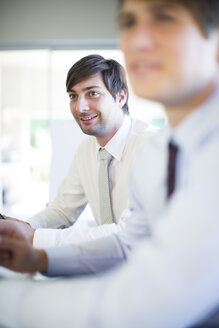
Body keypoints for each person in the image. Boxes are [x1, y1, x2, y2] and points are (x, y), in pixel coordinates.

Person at [0, 0, 219, 327]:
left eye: (165, 18)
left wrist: (12, 298)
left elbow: (153, 295)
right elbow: (128, 241)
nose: (136, 40)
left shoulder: (155, 148)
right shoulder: (163, 149)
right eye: (129, 22)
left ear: (121, 97)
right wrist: (35, 250)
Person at [1, 54, 155, 249]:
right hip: (107, 265)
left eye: (92, 93)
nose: (80, 107)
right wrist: (23, 227)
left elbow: (127, 233)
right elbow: (63, 211)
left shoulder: (151, 147)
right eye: (73, 96)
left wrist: (32, 237)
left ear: (121, 97)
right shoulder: (86, 150)